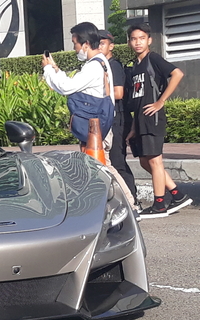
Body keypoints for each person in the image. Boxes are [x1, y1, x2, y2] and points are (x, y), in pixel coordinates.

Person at [42, 22, 137, 210]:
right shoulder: (101, 62)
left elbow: (67, 87)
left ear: (85, 44)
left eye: (75, 44)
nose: (75, 48)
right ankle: (118, 205)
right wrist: (56, 70)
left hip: (96, 127)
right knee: (101, 165)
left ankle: (130, 204)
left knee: (104, 166)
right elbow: (74, 84)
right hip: (100, 124)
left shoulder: (93, 66)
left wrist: (47, 70)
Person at [126, 23, 191, 218]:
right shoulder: (135, 66)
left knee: (155, 161)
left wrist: (160, 101)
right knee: (146, 162)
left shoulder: (152, 59)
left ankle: (160, 205)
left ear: (149, 40)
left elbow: (177, 74)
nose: (138, 42)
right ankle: (177, 194)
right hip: (141, 120)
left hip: (153, 118)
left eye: (142, 38)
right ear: (129, 42)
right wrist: (134, 126)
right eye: (134, 39)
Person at [98, 29, 138, 205]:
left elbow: (119, 93)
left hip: (118, 119)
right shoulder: (100, 65)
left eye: (102, 43)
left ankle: (132, 200)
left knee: (117, 162)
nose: (99, 47)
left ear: (111, 45)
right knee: (110, 161)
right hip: (110, 118)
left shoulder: (113, 65)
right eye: (96, 43)